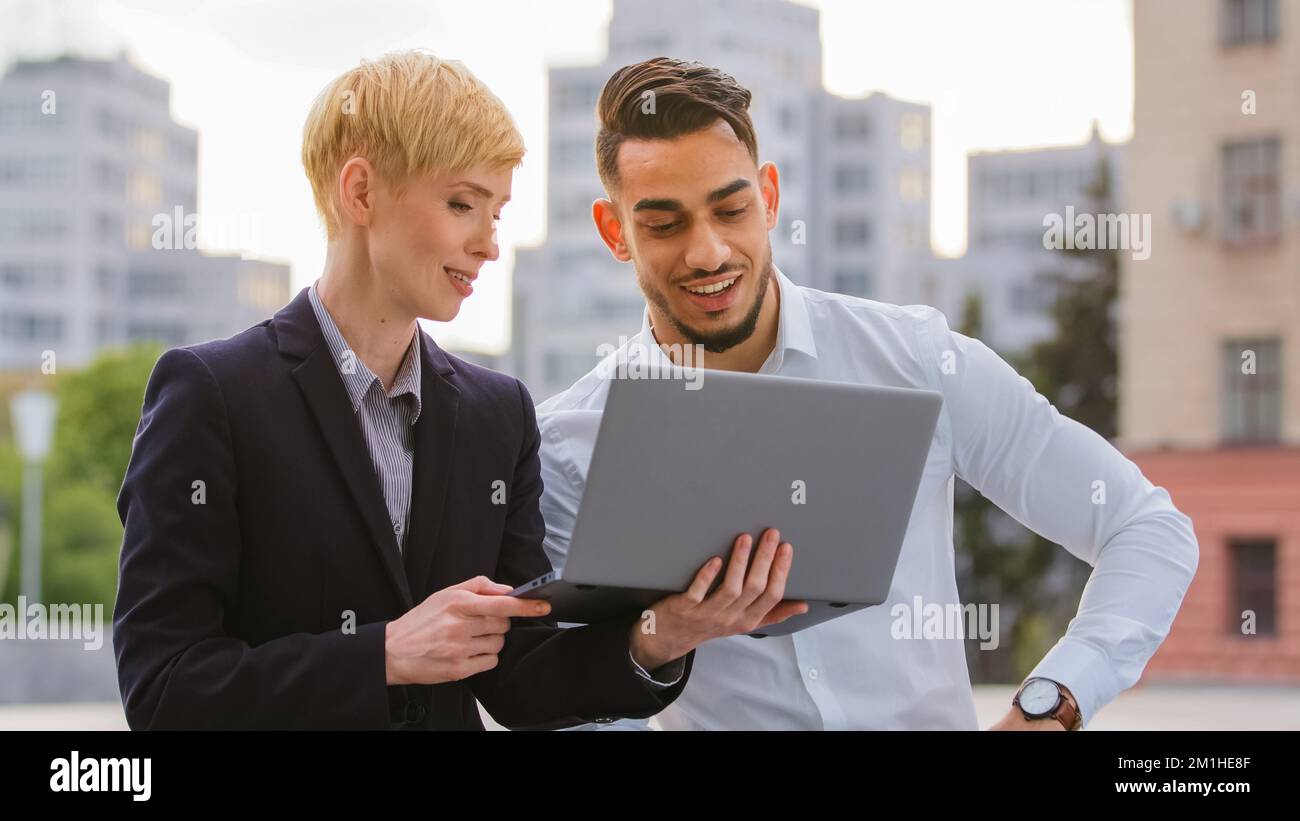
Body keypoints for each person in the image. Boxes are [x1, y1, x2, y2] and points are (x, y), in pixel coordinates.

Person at [112, 51, 802, 730]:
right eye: (462, 203)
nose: (488, 244)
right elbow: (164, 689)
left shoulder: (496, 415)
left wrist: (662, 632)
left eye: (497, 213)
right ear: (360, 192)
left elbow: (522, 682)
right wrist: (382, 654)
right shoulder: (212, 395)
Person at [536, 57, 1200, 730]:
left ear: (768, 198)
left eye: (730, 209)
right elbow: (567, 700)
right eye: (664, 224)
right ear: (615, 230)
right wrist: (655, 637)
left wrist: (1052, 702)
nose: (707, 252)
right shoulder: (567, 445)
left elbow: (1145, 526)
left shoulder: (914, 357)